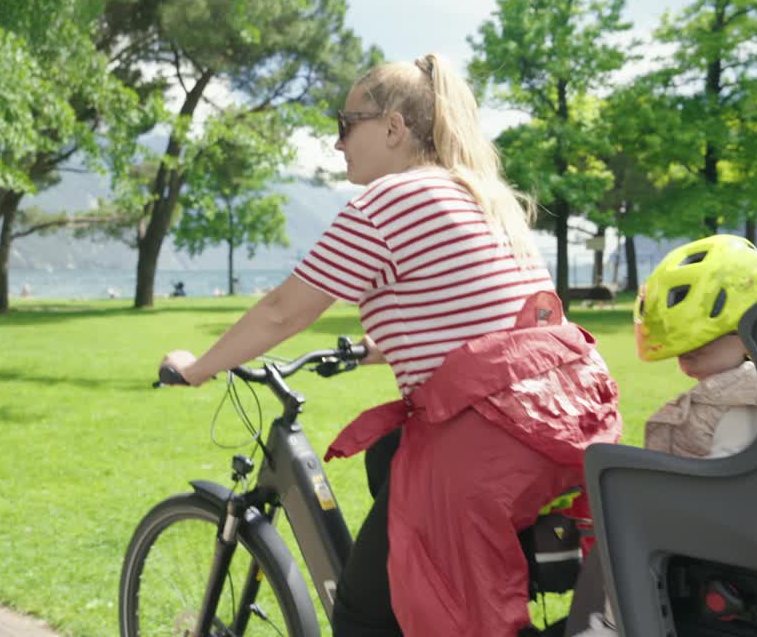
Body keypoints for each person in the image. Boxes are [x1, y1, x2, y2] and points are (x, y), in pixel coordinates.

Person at [161, 53, 620, 636]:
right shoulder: (479, 195)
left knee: (364, 615)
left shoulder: (391, 199)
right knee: (389, 457)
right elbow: (485, 315)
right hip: (565, 422)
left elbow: (284, 311)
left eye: (344, 123)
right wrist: (384, 348)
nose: (336, 144)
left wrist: (198, 367)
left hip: (489, 441)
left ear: (394, 128)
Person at [573, 234, 757, 637]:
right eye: (681, 345)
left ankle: (610, 627)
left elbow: (724, 477)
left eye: (701, 341)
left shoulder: (742, 398)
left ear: (750, 332)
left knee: (622, 540)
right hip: (752, 527)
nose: (686, 351)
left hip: (713, 531)